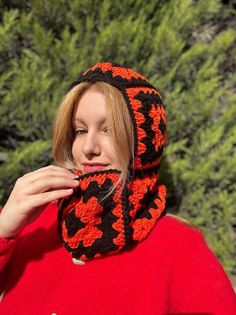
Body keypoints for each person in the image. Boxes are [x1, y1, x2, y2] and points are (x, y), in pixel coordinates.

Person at [0, 62, 235, 315]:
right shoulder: (35, 222)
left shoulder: (177, 247)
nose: (88, 147)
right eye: (80, 130)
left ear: (143, 144)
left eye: (108, 130)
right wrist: (3, 229)